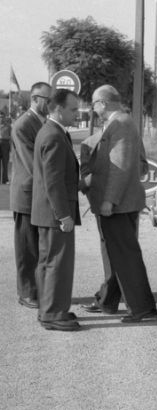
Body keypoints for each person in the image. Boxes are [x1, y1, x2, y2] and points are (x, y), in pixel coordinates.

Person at [82, 84, 157, 323]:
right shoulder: (119, 123)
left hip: (118, 204)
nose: (93, 109)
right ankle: (108, 301)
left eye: (94, 104)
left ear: (103, 103)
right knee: (116, 254)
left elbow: (120, 166)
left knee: (126, 257)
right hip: (119, 203)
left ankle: (142, 308)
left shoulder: (121, 124)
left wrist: (109, 200)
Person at [31, 88, 81, 331]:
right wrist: (64, 215)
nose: (77, 114)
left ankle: (50, 308)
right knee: (57, 264)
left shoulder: (53, 132)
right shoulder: (53, 136)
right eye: (73, 109)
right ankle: (52, 313)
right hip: (54, 214)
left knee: (48, 263)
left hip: (47, 213)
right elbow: (53, 181)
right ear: (59, 109)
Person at [10, 82, 52, 309]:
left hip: (38, 194)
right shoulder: (23, 125)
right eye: (47, 99)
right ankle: (26, 293)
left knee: (38, 246)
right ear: (35, 99)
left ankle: (37, 290)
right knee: (26, 248)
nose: (51, 104)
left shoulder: (42, 122)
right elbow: (32, 163)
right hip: (27, 195)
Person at [0, 112, 11, 184]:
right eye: (0, 117)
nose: (1, 118)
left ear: (4, 118)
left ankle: (5, 180)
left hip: (5, 144)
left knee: (5, 163)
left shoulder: (8, 126)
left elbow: (11, 136)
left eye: (2, 117)